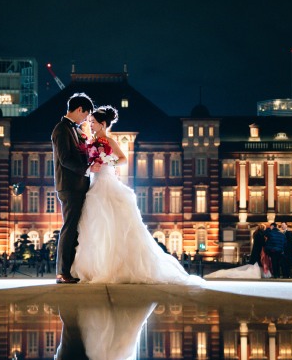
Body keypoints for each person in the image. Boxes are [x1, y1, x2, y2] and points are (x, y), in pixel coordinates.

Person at [71, 105, 202, 285]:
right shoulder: (91, 141)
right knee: (95, 226)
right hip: (95, 183)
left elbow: (123, 159)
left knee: (111, 224)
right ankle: (95, 267)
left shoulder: (109, 141)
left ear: (103, 124)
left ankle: (112, 267)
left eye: (93, 122)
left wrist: (108, 161)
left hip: (107, 181)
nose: (90, 125)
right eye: (90, 122)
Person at [52, 93, 95, 284]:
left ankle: (68, 270)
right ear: (79, 110)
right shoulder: (61, 129)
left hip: (77, 185)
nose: (85, 119)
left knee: (74, 228)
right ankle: (62, 272)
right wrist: (87, 169)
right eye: (85, 114)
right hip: (69, 186)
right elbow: (65, 159)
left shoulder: (73, 129)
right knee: (69, 228)